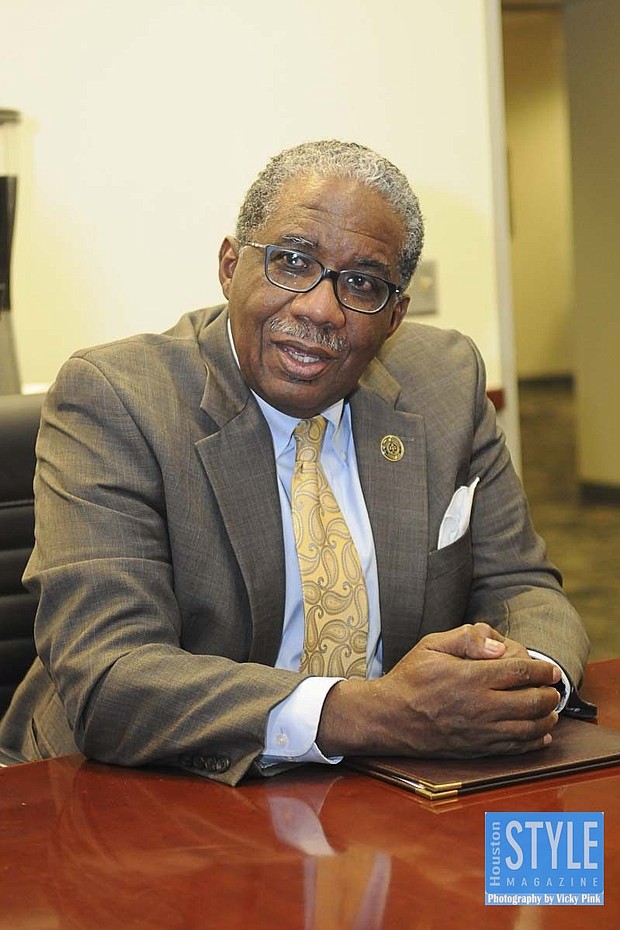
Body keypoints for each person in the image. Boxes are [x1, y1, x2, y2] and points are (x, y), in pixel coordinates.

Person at [0, 140, 590, 785]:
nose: (319, 308)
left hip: (382, 783)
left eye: (362, 283)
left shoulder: (444, 381)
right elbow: (110, 676)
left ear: (395, 314)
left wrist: (523, 689)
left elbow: (523, 588)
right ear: (231, 267)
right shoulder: (117, 397)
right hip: (132, 787)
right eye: (292, 261)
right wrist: (376, 713)